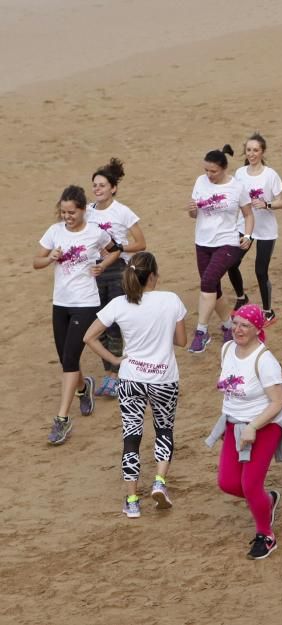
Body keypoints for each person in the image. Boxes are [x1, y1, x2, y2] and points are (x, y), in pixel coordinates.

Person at [83, 252, 187, 518]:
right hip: (164, 378)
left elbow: (90, 337)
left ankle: (131, 500)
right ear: (152, 275)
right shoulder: (171, 300)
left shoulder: (119, 303)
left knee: (131, 436)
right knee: (164, 429)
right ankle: (160, 483)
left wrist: (115, 359)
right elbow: (182, 340)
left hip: (131, 378)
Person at [205, 304, 282, 559]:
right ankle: (267, 501)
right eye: (235, 323)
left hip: (265, 426)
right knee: (227, 483)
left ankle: (266, 535)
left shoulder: (264, 359)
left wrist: (252, 426)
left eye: (245, 325)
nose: (238, 329)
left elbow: (277, 402)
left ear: (258, 329)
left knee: (250, 485)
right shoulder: (227, 349)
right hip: (234, 424)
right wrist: (233, 423)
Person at [34, 185, 119, 445]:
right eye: (63, 212)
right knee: (64, 358)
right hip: (60, 303)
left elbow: (115, 249)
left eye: (71, 212)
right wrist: (50, 259)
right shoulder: (54, 231)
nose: (67, 216)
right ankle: (84, 388)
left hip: (85, 302)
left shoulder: (95, 232)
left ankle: (62, 419)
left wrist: (102, 265)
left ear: (82, 210)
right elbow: (36, 262)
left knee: (71, 357)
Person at [88, 158, 146, 398]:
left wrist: (118, 246)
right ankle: (111, 370)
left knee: (112, 324)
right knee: (98, 325)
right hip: (91, 272)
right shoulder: (88, 211)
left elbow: (141, 243)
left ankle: (114, 376)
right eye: (95, 185)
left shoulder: (122, 211)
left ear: (113, 188)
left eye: (102, 185)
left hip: (116, 271)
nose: (97, 189)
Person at [187, 145, 254, 352]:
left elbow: (248, 214)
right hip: (202, 241)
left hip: (227, 241)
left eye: (213, 171)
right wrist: (191, 211)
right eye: (206, 170)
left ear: (224, 168)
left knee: (207, 282)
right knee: (212, 287)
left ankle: (201, 331)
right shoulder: (200, 181)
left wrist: (248, 236)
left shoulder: (237, 187)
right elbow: (194, 214)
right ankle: (228, 326)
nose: (209, 175)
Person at [230, 133, 282, 326]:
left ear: (262, 152)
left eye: (256, 150)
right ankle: (241, 296)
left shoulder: (270, 175)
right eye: (249, 150)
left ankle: (268, 311)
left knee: (260, 271)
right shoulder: (239, 173)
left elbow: (281, 202)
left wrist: (267, 204)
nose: (252, 154)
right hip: (244, 226)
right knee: (231, 263)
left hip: (266, 229)